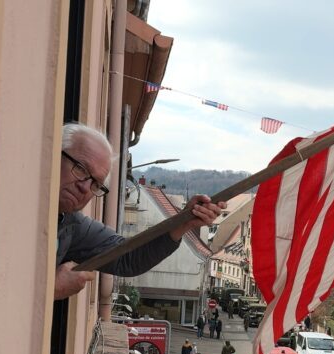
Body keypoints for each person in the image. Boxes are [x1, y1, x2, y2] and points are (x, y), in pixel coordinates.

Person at [53, 123, 223, 300]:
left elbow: (127, 257)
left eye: (95, 184)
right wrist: (51, 288)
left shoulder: (71, 224)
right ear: (53, 154)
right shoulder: (24, 202)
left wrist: (184, 222)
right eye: (81, 169)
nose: (85, 187)